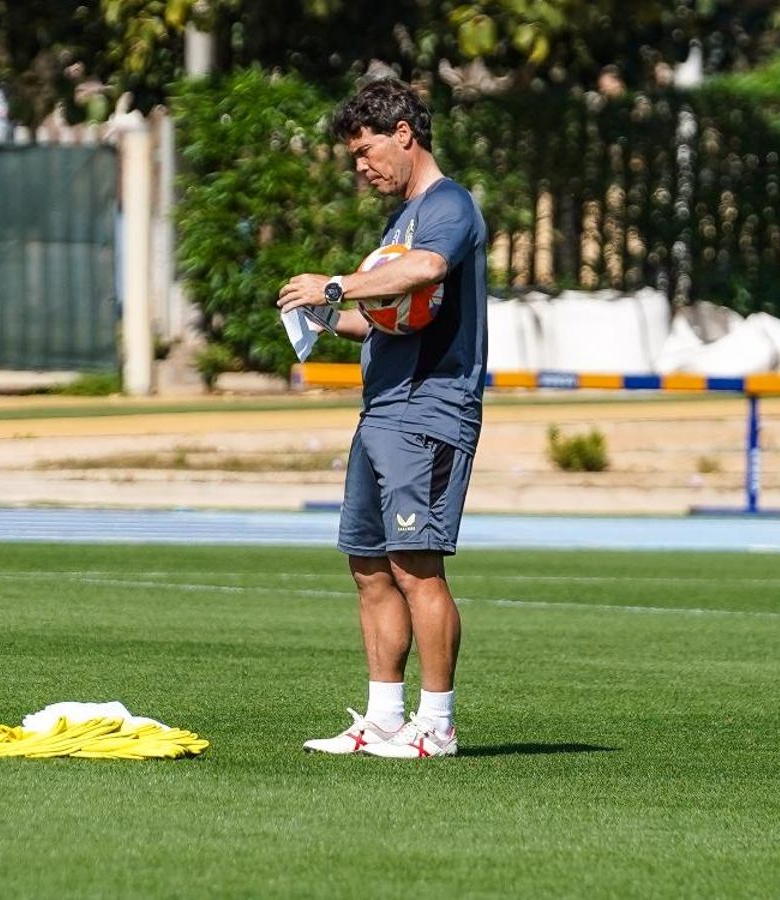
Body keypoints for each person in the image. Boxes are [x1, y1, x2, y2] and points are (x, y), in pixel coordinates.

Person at [276, 78, 488, 759]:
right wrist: (324, 318)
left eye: (366, 151)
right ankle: (385, 719)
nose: (362, 167)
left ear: (405, 133)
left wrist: (336, 282)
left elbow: (425, 271)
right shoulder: (399, 219)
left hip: (431, 404)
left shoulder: (447, 205)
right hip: (382, 408)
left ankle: (439, 724)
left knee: (415, 562)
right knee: (368, 564)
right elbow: (389, 321)